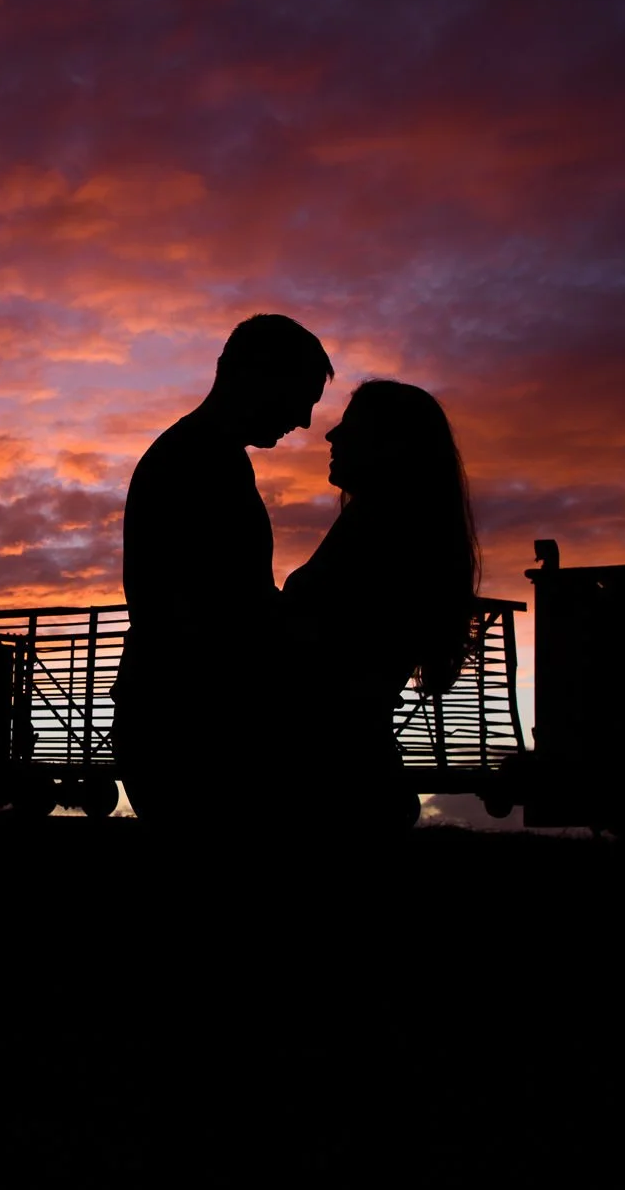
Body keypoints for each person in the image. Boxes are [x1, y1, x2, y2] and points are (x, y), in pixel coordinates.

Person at [114, 314, 334, 826]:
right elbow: (218, 609)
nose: (303, 420)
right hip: (192, 724)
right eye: (300, 396)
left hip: (175, 715)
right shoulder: (202, 462)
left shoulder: (197, 455)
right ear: (258, 376)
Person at [280, 380, 479, 831]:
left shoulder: (381, 534)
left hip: (338, 784)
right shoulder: (392, 528)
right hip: (356, 775)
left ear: (390, 445)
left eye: (350, 427)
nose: (331, 436)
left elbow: (325, 655)